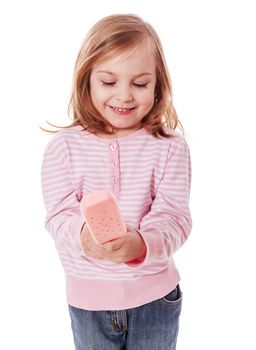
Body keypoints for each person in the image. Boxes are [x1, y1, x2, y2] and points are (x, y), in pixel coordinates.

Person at [41, 13, 192, 350]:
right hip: (88, 302)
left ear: (157, 86)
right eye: (109, 82)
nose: (124, 95)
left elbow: (174, 217)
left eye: (139, 83)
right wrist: (82, 236)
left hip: (155, 298)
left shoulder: (169, 147)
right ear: (87, 81)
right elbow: (58, 217)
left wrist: (141, 244)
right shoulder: (62, 149)